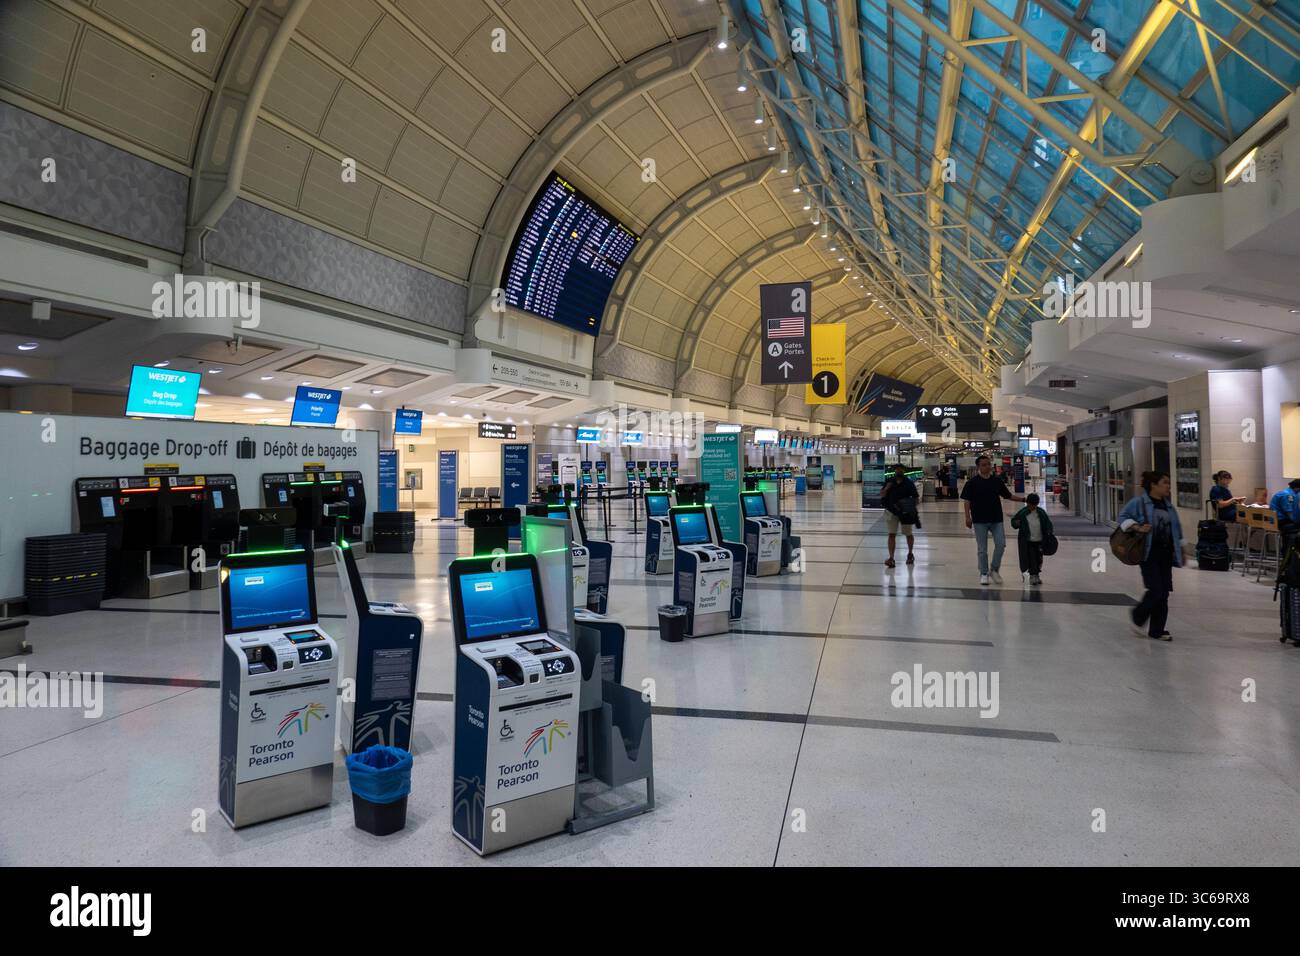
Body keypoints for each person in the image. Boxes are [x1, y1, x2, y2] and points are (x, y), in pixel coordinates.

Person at [1119, 470, 1184, 642]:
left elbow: (1176, 528)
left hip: (1166, 555)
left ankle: (1157, 630)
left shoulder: (1168, 505)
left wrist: (1181, 549)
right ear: (1153, 485)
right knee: (1156, 589)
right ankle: (1138, 616)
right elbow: (1123, 517)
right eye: (1165, 482)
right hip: (1148, 553)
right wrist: (1138, 527)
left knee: (1164, 593)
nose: (1168, 486)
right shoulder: (1139, 503)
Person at [961, 455, 1026, 585]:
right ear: (978, 467)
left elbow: (1008, 496)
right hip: (979, 520)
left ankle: (994, 569)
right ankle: (984, 573)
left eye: (988, 464)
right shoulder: (972, 483)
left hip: (996, 519)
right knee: (982, 549)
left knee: (1001, 544)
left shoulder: (997, 481)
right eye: (984, 465)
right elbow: (967, 500)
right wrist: (967, 517)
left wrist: (1024, 500)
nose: (987, 467)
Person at [1010, 492, 1053, 586]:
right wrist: (1016, 523)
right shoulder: (1023, 512)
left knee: (1039, 559)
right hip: (1027, 541)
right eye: (1030, 505)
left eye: (1034, 505)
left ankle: (1036, 575)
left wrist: (1049, 533)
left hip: (1039, 541)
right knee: (1031, 558)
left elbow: (1048, 523)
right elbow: (1014, 521)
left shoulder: (1041, 513)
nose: (1031, 507)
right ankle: (1032, 575)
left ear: (1037, 504)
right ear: (1027, 503)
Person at [880, 463, 919, 568]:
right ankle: (891, 558)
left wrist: (910, 508)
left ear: (903, 471)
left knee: (908, 534)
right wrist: (887, 488)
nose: (898, 471)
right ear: (894, 471)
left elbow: (916, 498)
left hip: (905, 513)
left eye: (900, 469)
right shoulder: (889, 482)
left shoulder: (909, 483)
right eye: (897, 469)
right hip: (891, 511)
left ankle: (910, 554)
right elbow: (882, 494)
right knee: (891, 534)